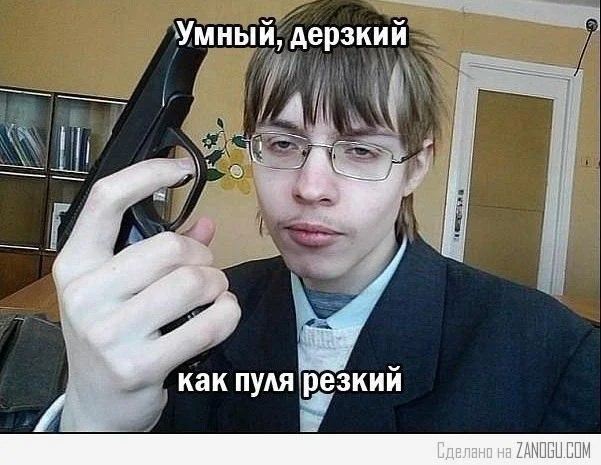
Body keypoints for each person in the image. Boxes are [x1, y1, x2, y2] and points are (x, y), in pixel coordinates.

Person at [37, 0, 599, 432]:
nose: (310, 188)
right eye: (283, 144)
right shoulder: (180, 324)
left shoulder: (554, 354)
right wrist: (90, 426)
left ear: (415, 167)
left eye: (361, 150)